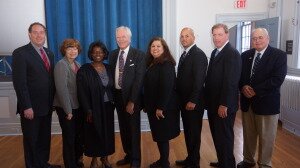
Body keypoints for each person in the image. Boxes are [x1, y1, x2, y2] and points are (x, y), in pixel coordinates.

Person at [12, 22, 59, 168]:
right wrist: (26, 106)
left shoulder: (49, 53)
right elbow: (20, 83)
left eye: (42, 32)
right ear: (29, 34)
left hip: (46, 105)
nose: (39, 35)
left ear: (45, 34)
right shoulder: (20, 53)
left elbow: (50, 80)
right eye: (35, 32)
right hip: (31, 107)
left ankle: (43, 163)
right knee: (31, 139)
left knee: (44, 138)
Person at [238, 28, 287, 168]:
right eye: (254, 38)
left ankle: (265, 164)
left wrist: (255, 90)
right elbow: (239, 77)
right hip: (248, 103)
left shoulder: (279, 55)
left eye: (260, 37)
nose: (257, 41)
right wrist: (243, 87)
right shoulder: (245, 55)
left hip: (267, 103)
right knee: (248, 136)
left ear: (267, 38)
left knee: (267, 138)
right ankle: (248, 160)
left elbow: (277, 79)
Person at [205, 23, 242, 168]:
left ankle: (227, 165)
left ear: (227, 35)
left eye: (220, 34)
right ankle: (223, 162)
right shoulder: (215, 52)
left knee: (225, 138)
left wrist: (224, 104)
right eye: (214, 35)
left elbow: (231, 82)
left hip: (223, 106)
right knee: (217, 137)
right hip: (214, 104)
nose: (216, 38)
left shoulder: (232, 53)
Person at [109, 26, 146, 168]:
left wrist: (132, 101)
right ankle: (129, 155)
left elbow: (139, 80)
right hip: (117, 96)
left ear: (130, 38)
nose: (121, 39)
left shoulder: (139, 55)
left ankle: (136, 160)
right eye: (118, 37)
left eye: (123, 37)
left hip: (132, 98)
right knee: (124, 128)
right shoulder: (113, 55)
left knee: (133, 129)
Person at [76, 41, 115, 168]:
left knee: (107, 133)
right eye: (95, 51)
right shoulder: (84, 70)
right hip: (92, 108)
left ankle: (105, 158)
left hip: (108, 106)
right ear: (91, 54)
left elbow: (113, 88)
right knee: (94, 133)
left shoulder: (109, 68)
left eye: (100, 51)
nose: (98, 54)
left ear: (104, 53)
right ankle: (94, 159)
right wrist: (88, 109)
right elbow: (81, 92)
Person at [144, 37, 180, 168]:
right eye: (153, 46)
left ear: (164, 49)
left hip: (163, 108)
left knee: (163, 136)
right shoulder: (152, 62)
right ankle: (163, 160)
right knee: (160, 136)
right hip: (155, 106)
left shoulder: (166, 64)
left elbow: (167, 87)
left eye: (158, 46)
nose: (155, 49)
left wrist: (160, 108)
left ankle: (164, 163)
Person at [175, 27, 208, 168]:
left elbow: (199, 81)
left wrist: (193, 100)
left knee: (193, 133)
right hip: (185, 102)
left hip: (193, 103)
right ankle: (190, 158)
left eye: (187, 36)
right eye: (182, 36)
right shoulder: (185, 54)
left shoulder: (198, 55)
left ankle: (194, 163)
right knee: (188, 132)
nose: (184, 39)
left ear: (194, 37)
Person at [53, 39, 84, 168]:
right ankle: (70, 164)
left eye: (75, 48)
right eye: (69, 48)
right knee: (69, 138)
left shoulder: (77, 64)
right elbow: (62, 89)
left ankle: (77, 160)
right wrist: (68, 110)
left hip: (77, 107)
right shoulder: (61, 65)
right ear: (64, 50)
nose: (73, 51)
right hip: (66, 108)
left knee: (77, 137)